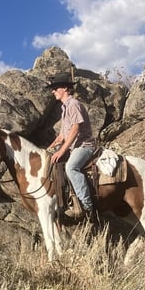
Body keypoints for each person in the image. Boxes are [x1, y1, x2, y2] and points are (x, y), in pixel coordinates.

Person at [46, 71, 96, 219]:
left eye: (56, 88)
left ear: (66, 89)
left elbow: (75, 128)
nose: (53, 91)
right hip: (73, 146)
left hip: (84, 146)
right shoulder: (64, 108)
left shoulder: (73, 104)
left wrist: (62, 151)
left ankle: (87, 207)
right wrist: (49, 148)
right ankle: (65, 200)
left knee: (71, 167)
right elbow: (62, 135)